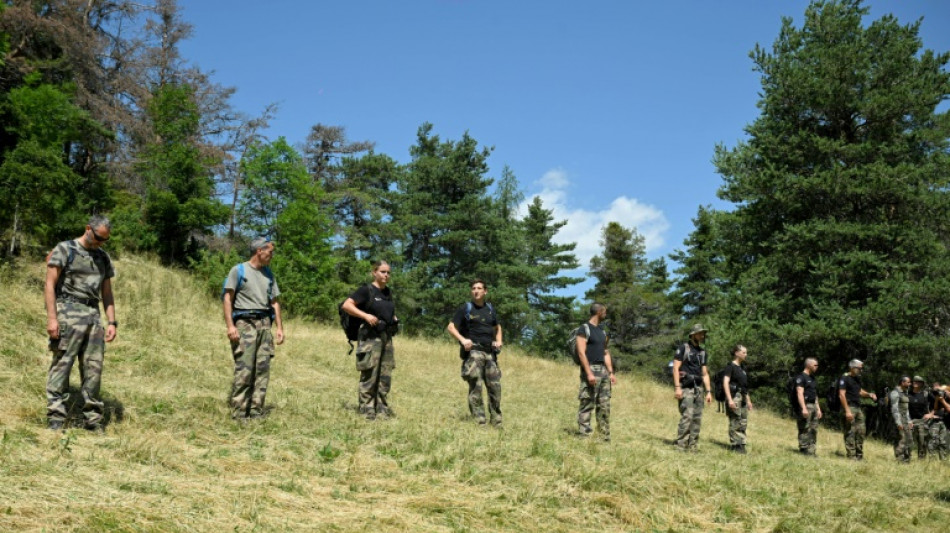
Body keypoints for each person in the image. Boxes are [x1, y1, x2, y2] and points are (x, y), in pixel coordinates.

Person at [44, 215, 117, 432]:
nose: (101, 243)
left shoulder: (103, 257)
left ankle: (92, 419)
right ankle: (56, 417)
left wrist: (112, 321)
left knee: (93, 369)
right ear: (88, 229)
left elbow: (107, 292)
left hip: (93, 317)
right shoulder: (65, 249)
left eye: (105, 240)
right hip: (67, 313)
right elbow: (49, 284)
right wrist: (52, 318)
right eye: (98, 237)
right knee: (62, 365)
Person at [222, 237, 284, 420]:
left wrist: (280, 328)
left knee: (262, 370)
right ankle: (239, 413)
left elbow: (275, 302)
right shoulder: (239, 270)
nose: (272, 255)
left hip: (264, 325)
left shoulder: (269, 275)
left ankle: (256, 411)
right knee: (245, 369)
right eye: (270, 251)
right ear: (259, 250)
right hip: (244, 324)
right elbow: (228, 299)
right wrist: (230, 326)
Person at [341, 260, 397, 420]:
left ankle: (381, 407)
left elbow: (386, 311)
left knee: (385, 374)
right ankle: (367, 408)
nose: (386, 275)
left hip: (386, 338)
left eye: (388, 272)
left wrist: (393, 318)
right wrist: (365, 316)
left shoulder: (388, 293)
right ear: (374, 272)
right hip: (369, 338)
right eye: (383, 272)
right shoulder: (366, 290)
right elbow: (347, 305)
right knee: (370, 373)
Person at [447, 280, 503, 426]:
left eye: (479, 288)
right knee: (476, 388)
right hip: (474, 353)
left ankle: (496, 421)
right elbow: (451, 327)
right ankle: (480, 421)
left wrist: (499, 341)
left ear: (485, 291)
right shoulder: (466, 308)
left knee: (495, 388)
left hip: (490, 354)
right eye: (473, 288)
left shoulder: (490, 309)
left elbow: (497, 327)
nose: (476, 291)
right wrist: (463, 340)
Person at [574, 303, 616, 441]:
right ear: (599, 312)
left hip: (603, 371)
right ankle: (584, 434)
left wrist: (611, 372)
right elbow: (581, 352)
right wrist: (589, 373)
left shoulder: (602, 332)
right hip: (591, 369)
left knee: (604, 405)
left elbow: (605, 352)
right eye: (604, 311)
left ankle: (604, 436)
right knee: (587, 402)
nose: (606, 314)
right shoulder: (584, 329)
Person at [672, 324, 712, 452]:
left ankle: (692, 445)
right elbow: (675, 368)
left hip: (698, 389)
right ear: (693, 335)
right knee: (687, 416)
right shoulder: (684, 348)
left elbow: (705, 374)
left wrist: (709, 392)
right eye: (700, 333)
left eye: (703, 333)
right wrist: (677, 387)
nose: (702, 335)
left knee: (697, 418)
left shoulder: (703, 353)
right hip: (686, 388)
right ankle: (681, 445)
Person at [837, 359, 877, 461]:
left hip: (858, 408)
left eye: (861, 368)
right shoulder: (844, 378)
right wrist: (847, 411)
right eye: (859, 368)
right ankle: (851, 456)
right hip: (849, 407)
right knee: (850, 432)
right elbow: (841, 395)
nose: (861, 370)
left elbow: (859, 391)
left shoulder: (857, 379)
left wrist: (869, 394)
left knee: (861, 432)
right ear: (852, 367)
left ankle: (859, 456)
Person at [723, 345, 754, 453]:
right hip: (734, 396)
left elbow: (745, 387)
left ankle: (741, 443)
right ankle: (735, 445)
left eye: (746, 353)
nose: (746, 355)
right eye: (744, 352)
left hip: (743, 397)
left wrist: (749, 400)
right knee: (735, 420)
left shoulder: (743, 369)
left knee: (743, 421)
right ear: (736, 353)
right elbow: (725, 382)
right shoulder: (730, 366)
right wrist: (730, 399)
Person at [793, 358, 823, 456]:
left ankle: (811, 450)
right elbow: (799, 393)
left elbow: (815, 395)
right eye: (815, 365)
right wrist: (803, 408)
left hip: (813, 405)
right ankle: (804, 448)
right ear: (809, 365)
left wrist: (818, 408)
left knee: (813, 428)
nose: (817, 367)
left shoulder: (812, 378)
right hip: (806, 405)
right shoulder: (801, 377)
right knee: (804, 428)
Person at [906, 376, 935, 460]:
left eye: (918, 381)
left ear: (922, 384)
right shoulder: (907, 393)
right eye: (914, 381)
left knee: (922, 442)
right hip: (909, 421)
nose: (915, 383)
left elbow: (937, 403)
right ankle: (906, 459)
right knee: (907, 441)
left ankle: (921, 461)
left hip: (922, 421)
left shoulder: (926, 394)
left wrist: (931, 414)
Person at [888, 376, 912, 463]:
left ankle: (907, 459)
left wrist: (909, 421)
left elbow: (906, 409)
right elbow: (894, 409)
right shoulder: (895, 393)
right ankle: (900, 460)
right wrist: (898, 423)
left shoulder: (905, 392)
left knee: (909, 439)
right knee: (901, 439)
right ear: (902, 383)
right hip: (899, 418)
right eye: (908, 382)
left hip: (905, 419)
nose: (910, 384)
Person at [930, 382, 949, 460]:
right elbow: (935, 408)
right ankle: (933, 460)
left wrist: (943, 400)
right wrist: (937, 399)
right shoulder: (942, 396)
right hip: (943, 421)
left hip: (947, 422)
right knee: (936, 441)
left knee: (944, 442)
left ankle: (944, 458)